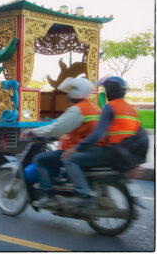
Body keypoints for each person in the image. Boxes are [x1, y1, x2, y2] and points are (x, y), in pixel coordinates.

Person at [60, 76, 141, 206]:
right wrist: (137, 161)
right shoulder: (131, 109)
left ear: (109, 91)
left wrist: (77, 148)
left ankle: (84, 196)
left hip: (112, 153)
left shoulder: (110, 108)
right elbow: (141, 137)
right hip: (127, 155)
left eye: (105, 88)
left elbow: (97, 135)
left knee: (70, 159)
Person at [24, 77, 101, 208]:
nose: (68, 94)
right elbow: (69, 129)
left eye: (71, 91)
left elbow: (57, 128)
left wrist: (35, 132)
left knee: (39, 159)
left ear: (77, 92)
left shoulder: (77, 110)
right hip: (89, 150)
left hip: (74, 151)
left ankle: (48, 195)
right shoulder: (94, 109)